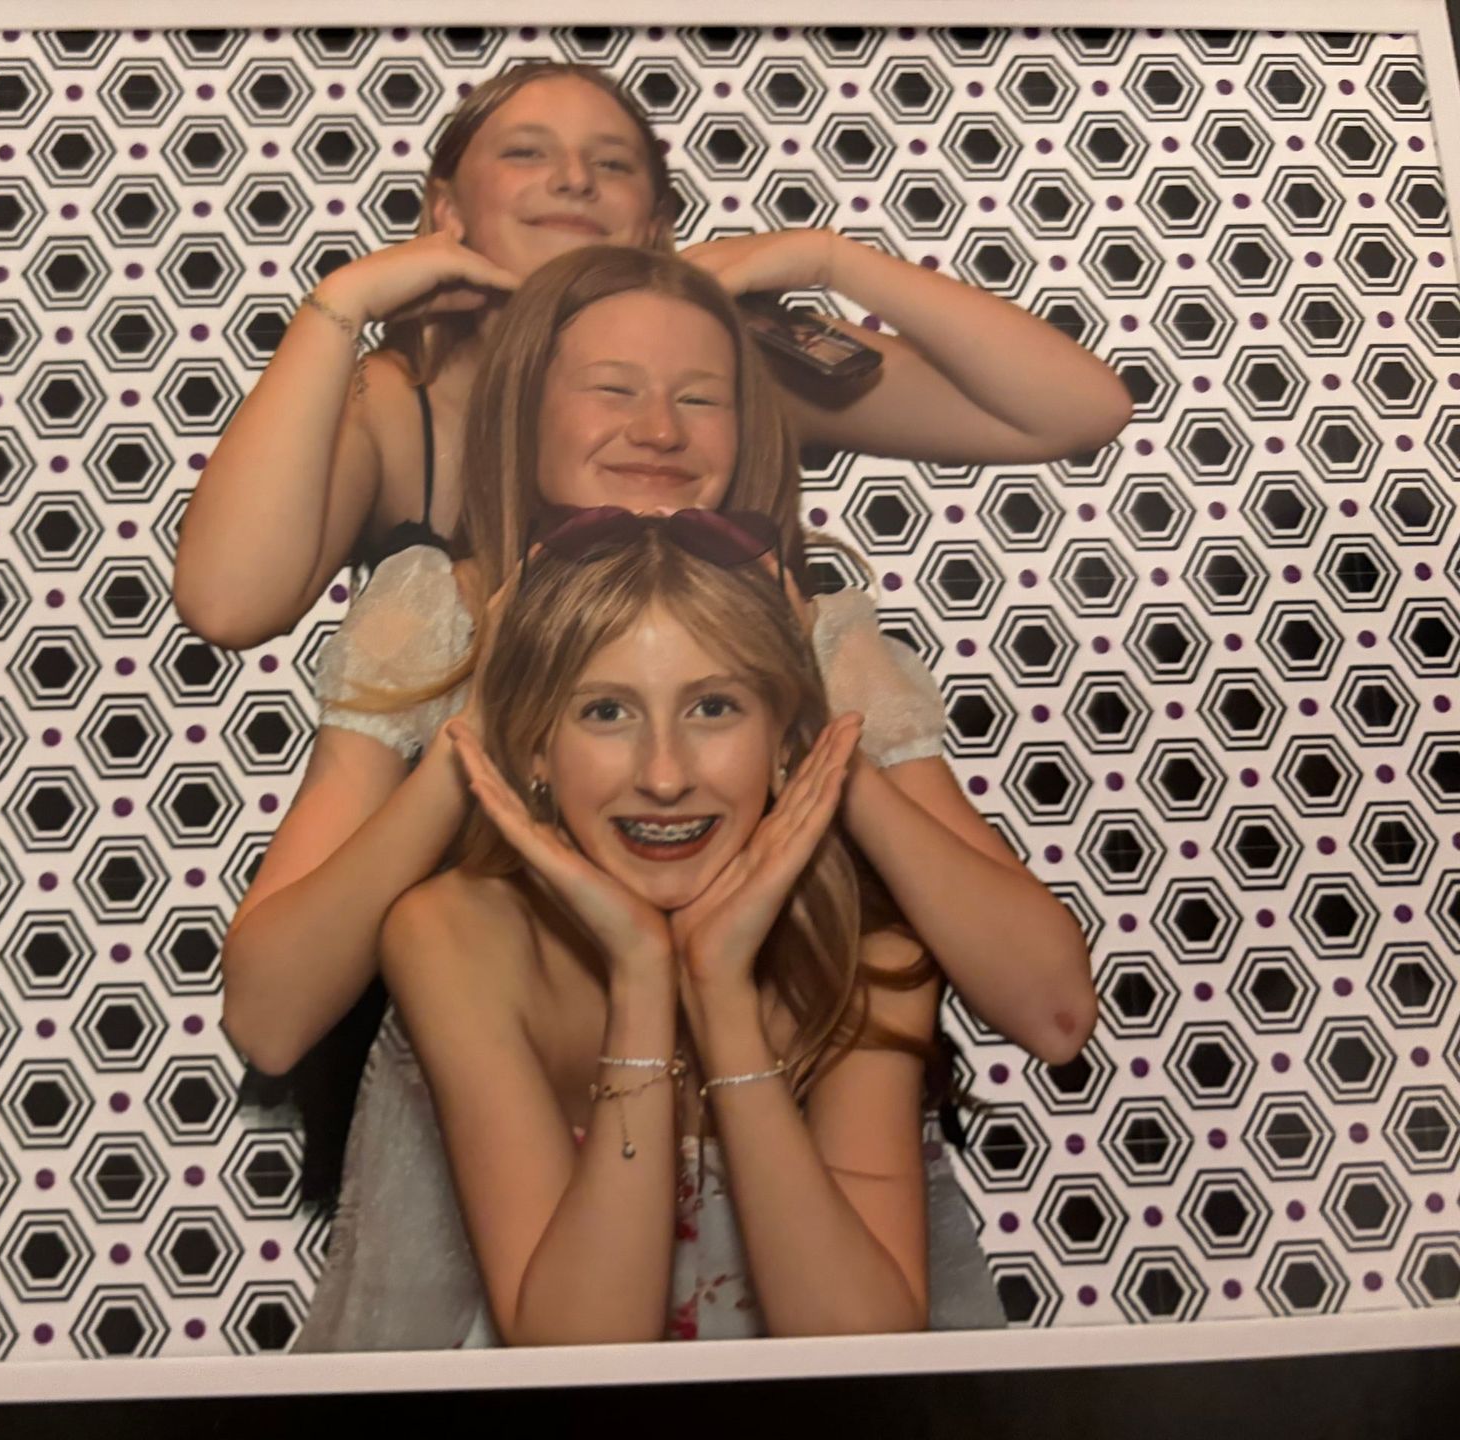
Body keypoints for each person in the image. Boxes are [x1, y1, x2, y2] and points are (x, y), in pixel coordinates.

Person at [222, 245, 1097, 1101]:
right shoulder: (433, 614)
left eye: (700, 398)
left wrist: (819, 732)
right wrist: (481, 731)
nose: (660, 430)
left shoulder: (822, 634)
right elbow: (270, 1021)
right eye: (614, 390)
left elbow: (1055, 1016)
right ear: (524, 414)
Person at [311, 511, 1004, 1347]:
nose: (665, 775)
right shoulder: (453, 937)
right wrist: (642, 973)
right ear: (533, 747)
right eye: (606, 712)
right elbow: (575, 1353)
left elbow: (862, 1350)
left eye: (714, 707)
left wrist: (720, 993)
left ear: (786, 743)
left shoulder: (873, 952)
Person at [171, 59, 1135, 653]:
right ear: (448, 212)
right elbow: (227, 605)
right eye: (525, 154)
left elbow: (1074, 411)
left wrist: (832, 257)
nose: (574, 177)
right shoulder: (396, 401)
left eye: (613, 163)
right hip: (471, 903)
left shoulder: (728, 373)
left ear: (657, 224)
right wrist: (339, 304)